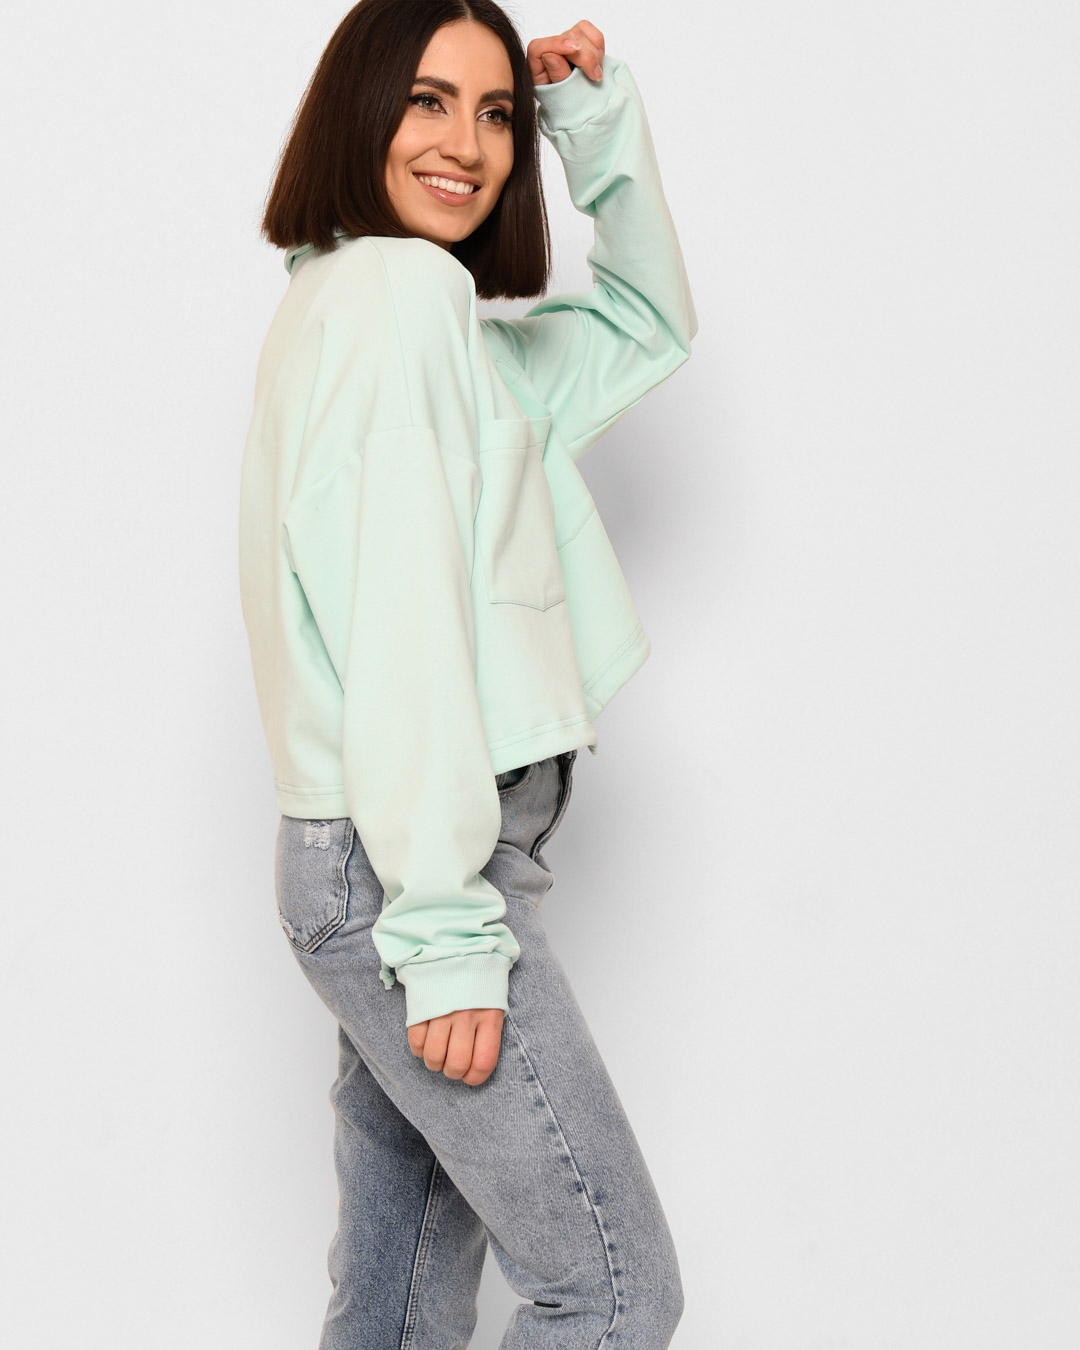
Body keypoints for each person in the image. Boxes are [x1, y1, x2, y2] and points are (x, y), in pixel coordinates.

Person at [238, 1, 697, 1345]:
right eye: (428, 101)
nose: (470, 144)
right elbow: (403, 626)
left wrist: (589, 120)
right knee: (612, 1289)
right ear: (358, 109)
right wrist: (443, 933)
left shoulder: (422, 329)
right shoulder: (398, 302)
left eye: (498, 113)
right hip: (416, 870)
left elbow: (648, 326)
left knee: (398, 1307)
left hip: (386, 859)